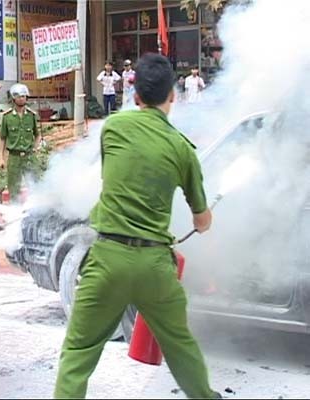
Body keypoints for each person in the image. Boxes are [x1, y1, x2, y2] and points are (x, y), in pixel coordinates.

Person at [54, 54, 220, 399]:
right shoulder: (182, 149)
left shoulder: (112, 128)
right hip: (155, 266)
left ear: (136, 94)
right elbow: (201, 221)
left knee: (79, 351)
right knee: (180, 347)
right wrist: (206, 219)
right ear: (173, 94)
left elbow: (116, 176)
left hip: (108, 259)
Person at [0, 83, 41, 201]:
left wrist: (35, 148)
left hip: (29, 156)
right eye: (19, 96)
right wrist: (1, 158)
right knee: (13, 188)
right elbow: (2, 138)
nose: (22, 99)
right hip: (14, 157)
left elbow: (37, 135)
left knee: (34, 184)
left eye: (24, 96)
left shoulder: (31, 116)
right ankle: (15, 210)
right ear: (13, 98)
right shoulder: (7, 117)